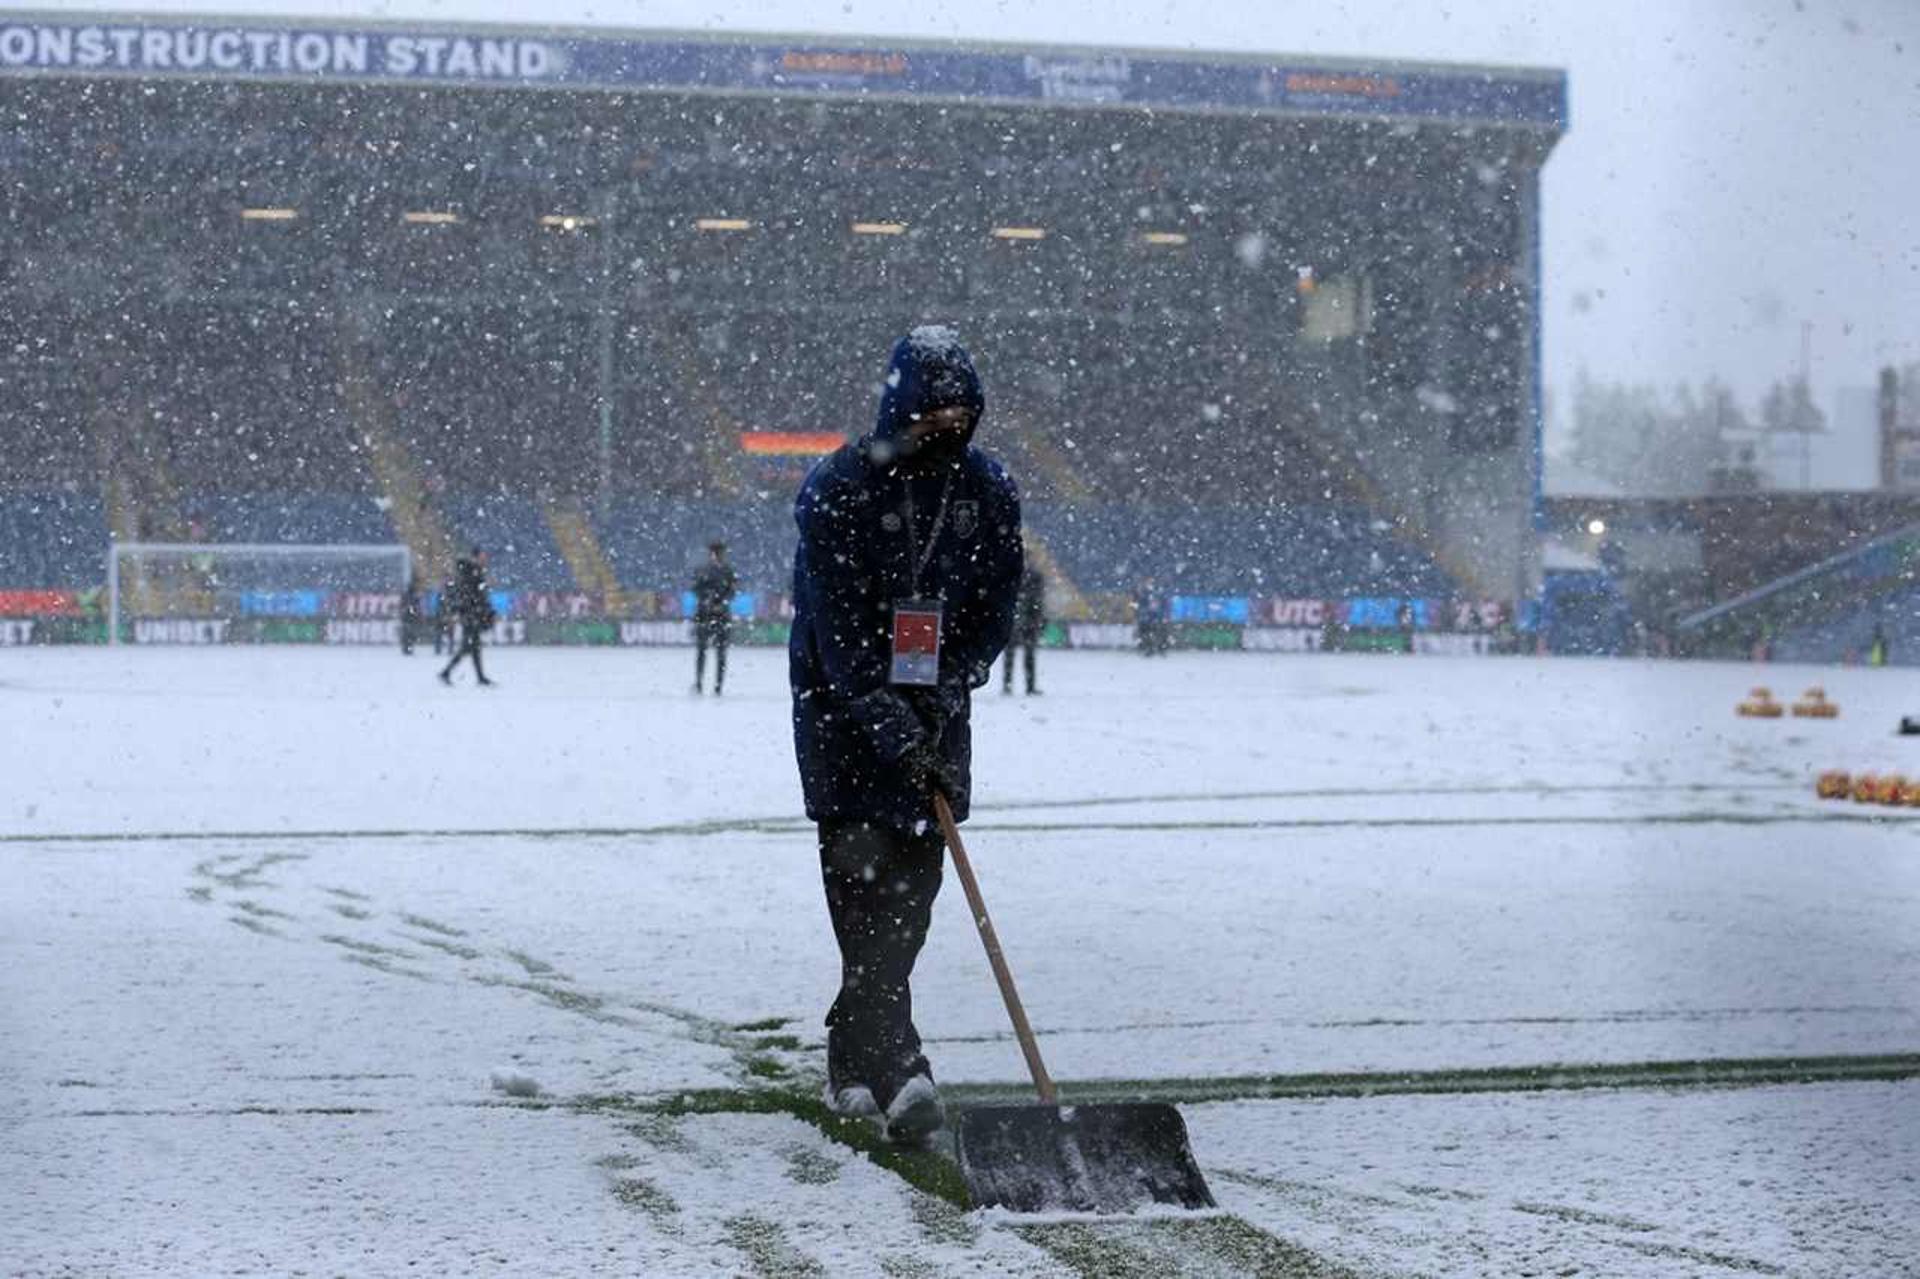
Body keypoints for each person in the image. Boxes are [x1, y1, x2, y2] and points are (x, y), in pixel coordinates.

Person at [789, 325, 1022, 1143]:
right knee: (862, 885)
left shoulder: (987, 493)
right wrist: (892, 726)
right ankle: (901, 1064)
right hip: (840, 718)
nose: (945, 431)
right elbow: (844, 645)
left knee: (913, 899)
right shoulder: (837, 492)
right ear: (900, 409)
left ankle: (852, 1054)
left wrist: (945, 687)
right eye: (931, 415)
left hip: (938, 709)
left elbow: (995, 608)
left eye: (960, 416)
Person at [438, 547, 496, 687]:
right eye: (483, 555)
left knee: (474, 647)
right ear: (476, 557)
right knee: (469, 647)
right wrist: (477, 611)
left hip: (471, 615)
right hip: (471, 616)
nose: (486, 558)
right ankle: (446, 672)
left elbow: (475, 596)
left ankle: (479, 677)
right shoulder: (472, 573)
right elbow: (471, 596)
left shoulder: (471, 573)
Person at [690, 541, 738, 695]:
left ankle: (716, 685)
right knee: (705, 651)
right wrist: (709, 602)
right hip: (708, 615)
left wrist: (718, 603)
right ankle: (701, 683)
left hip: (716, 615)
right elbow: (697, 589)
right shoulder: (706, 571)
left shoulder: (726, 571)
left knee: (717, 653)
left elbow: (732, 592)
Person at [1002, 562, 1046, 694]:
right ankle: (1024, 686)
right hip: (1024, 622)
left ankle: (1010, 685)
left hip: (1020, 623)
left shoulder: (1012, 577)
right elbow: (1037, 603)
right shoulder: (1032, 578)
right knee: (1025, 655)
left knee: (1016, 655)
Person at [399, 572, 422, 656]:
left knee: (407, 634)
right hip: (410, 617)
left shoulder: (407, 595)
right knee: (410, 634)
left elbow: (402, 606)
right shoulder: (414, 596)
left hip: (407, 617)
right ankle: (408, 648)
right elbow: (417, 607)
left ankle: (407, 648)